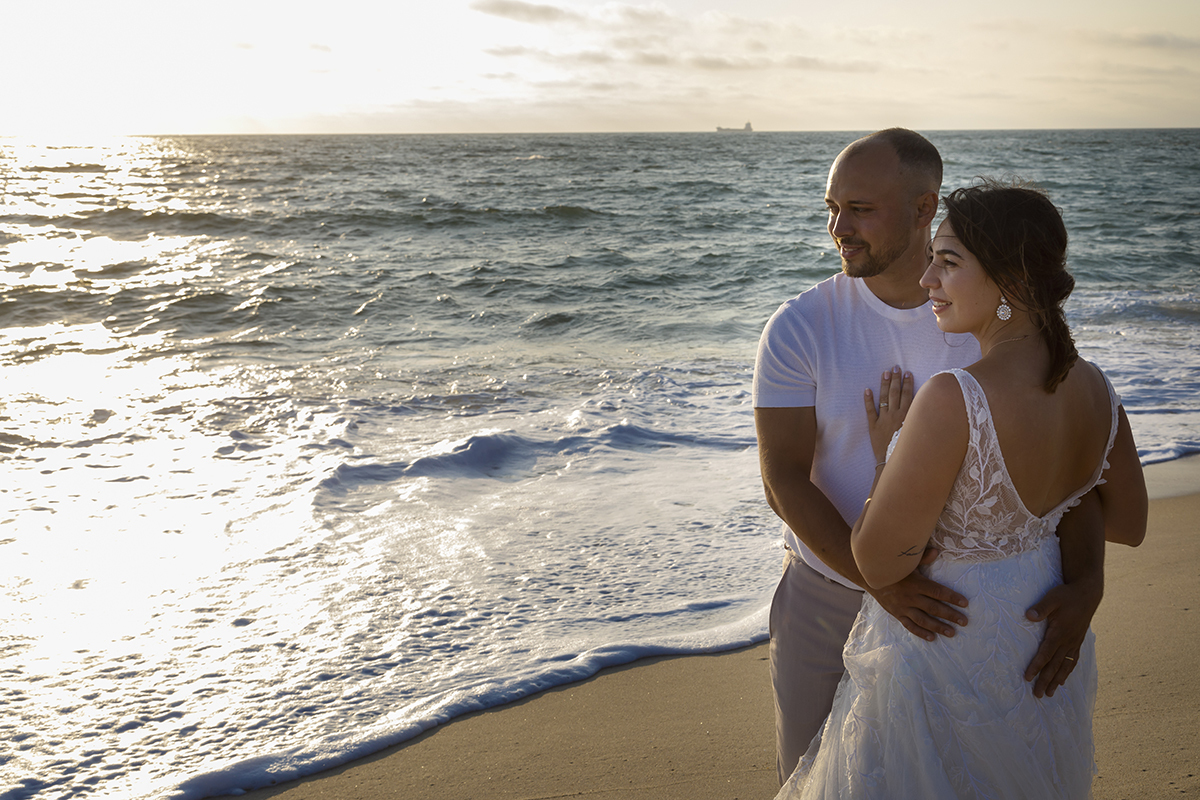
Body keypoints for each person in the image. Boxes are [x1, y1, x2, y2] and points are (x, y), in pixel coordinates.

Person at [753, 129, 1116, 784]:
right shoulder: (799, 325)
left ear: (925, 209)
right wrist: (882, 582)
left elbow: (1074, 477)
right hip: (827, 593)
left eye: (860, 209)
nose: (839, 227)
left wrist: (1088, 581)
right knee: (812, 779)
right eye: (831, 208)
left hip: (958, 615)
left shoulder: (989, 321)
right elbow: (782, 476)